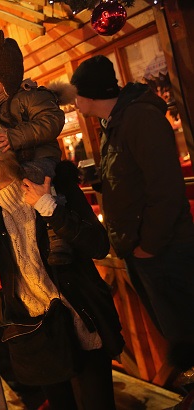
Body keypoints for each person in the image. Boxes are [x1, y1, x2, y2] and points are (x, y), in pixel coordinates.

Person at [0, 121, 125, 410]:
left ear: (0, 152)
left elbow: (98, 244)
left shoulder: (53, 184)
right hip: (37, 331)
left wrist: (48, 207)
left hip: (81, 320)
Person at [71, 55, 194, 373]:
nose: (73, 102)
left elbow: (165, 191)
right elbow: (131, 176)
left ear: (90, 94)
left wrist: (148, 247)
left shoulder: (139, 118)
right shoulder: (114, 122)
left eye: (76, 93)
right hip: (142, 251)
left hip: (163, 251)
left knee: (186, 331)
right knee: (177, 336)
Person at [0, 29, 76, 265]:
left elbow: (51, 120)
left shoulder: (29, 97)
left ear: (6, 77)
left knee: (35, 179)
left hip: (37, 157)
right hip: (4, 167)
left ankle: (56, 235)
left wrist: (14, 137)